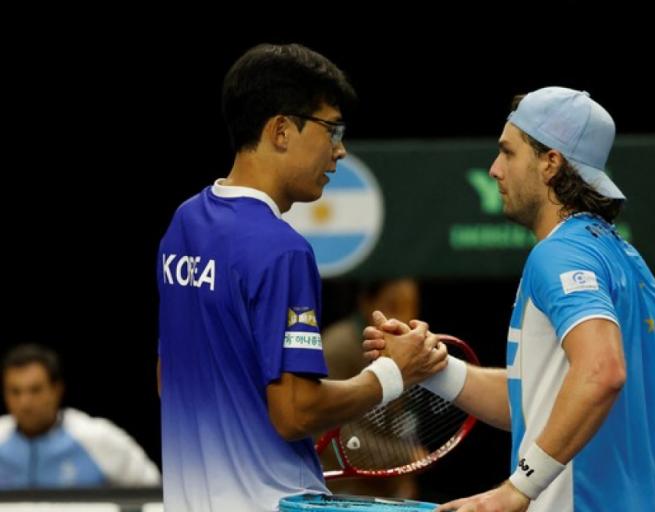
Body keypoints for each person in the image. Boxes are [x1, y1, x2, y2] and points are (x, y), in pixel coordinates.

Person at [156, 43, 446, 512]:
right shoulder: (282, 249)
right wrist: (395, 372)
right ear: (282, 130)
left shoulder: (183, 224)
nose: (340, 149)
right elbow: (296, 412)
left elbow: (170, 381)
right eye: (332, 129)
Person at [365, 87, 655, 511]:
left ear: (550, 163)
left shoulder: (559, 253)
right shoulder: (628, 260)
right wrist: (429, 368)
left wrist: (519, 488)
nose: (494, 169)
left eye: (508, 153)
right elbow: (545, 404)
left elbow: (602, 371)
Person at [0, 344, 160, 489]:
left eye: (35, 390)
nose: (25, 403)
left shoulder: (96, 437)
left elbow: (154, 491)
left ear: (57, 390)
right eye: (15, 392)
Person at [320, 278, 422, 499]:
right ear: (366, 303)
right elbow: (327, 428)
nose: (404, 317)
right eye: (394, 306)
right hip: (338, 493)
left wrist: (403, 479)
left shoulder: (403, 350)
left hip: (383, 492)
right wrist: (405, 456)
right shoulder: (337, 348)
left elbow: (400, 424)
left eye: (411, 307)